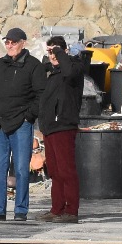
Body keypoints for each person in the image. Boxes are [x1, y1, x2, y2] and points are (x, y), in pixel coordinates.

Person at [0, 27, 46, 222]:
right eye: (7, 42)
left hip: (21, 124)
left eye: (13, 42)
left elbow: (41, 95)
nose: (9, 45)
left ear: (23, 43)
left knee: (20, 169)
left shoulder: (34, 66)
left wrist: (29, 116)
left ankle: (20, 210)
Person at [37, 34, 88, 223]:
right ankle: (56, 209)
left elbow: (68, 72)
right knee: (55, 172)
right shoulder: (51, 73)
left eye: (56, 51)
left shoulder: (74, 68)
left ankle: (71, 211)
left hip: (64, 125)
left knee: (67, 170)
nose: (52, 55)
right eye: (50, 51)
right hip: (50, 127)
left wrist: (59, 51)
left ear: (65, 50)